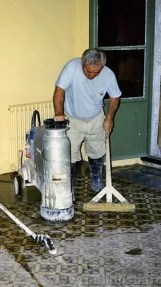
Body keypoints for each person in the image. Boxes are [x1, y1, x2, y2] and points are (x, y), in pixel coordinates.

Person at [53, 48, 121, 197]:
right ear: (82, 64)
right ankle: (67, 187)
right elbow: (59, 91)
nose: (92, 75)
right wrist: (59, 113)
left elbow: (115, 97)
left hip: (96, 117)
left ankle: (96, 181)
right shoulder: (72, 67)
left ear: (102, 66)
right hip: (73, 118)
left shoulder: (108, 75)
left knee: (97, 151)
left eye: (96, 72)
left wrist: (109, 117)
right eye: (88, 71)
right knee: (69, 154)